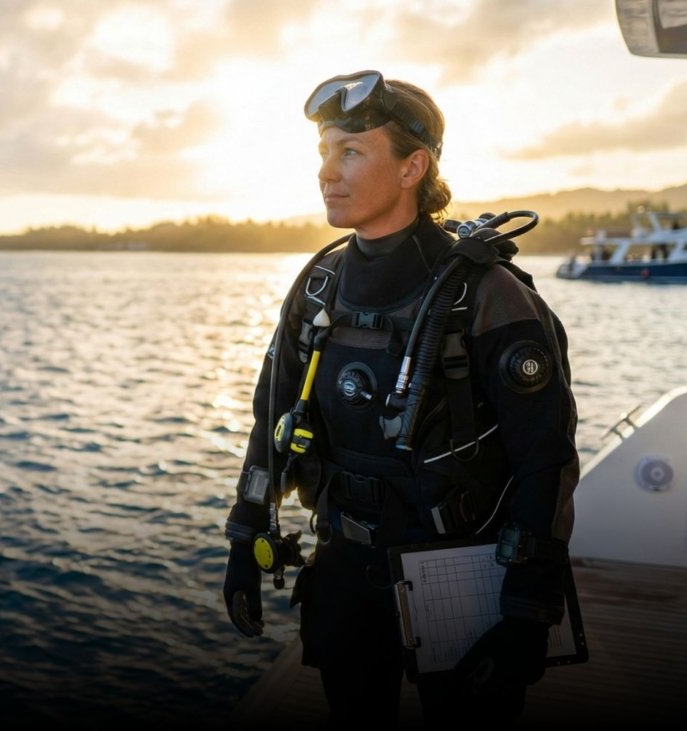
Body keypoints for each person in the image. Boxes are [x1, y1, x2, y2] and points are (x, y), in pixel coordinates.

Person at [221, 70, 578, 726]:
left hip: (462, 570)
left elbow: (545, 457)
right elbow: (270, 421)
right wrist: (245, 536)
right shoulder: (318, 287)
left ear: (414, 166)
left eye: (351, 150)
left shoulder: (488, 295)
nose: (328, 171)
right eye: (324, 152)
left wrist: (530, 599)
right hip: (345, 564)